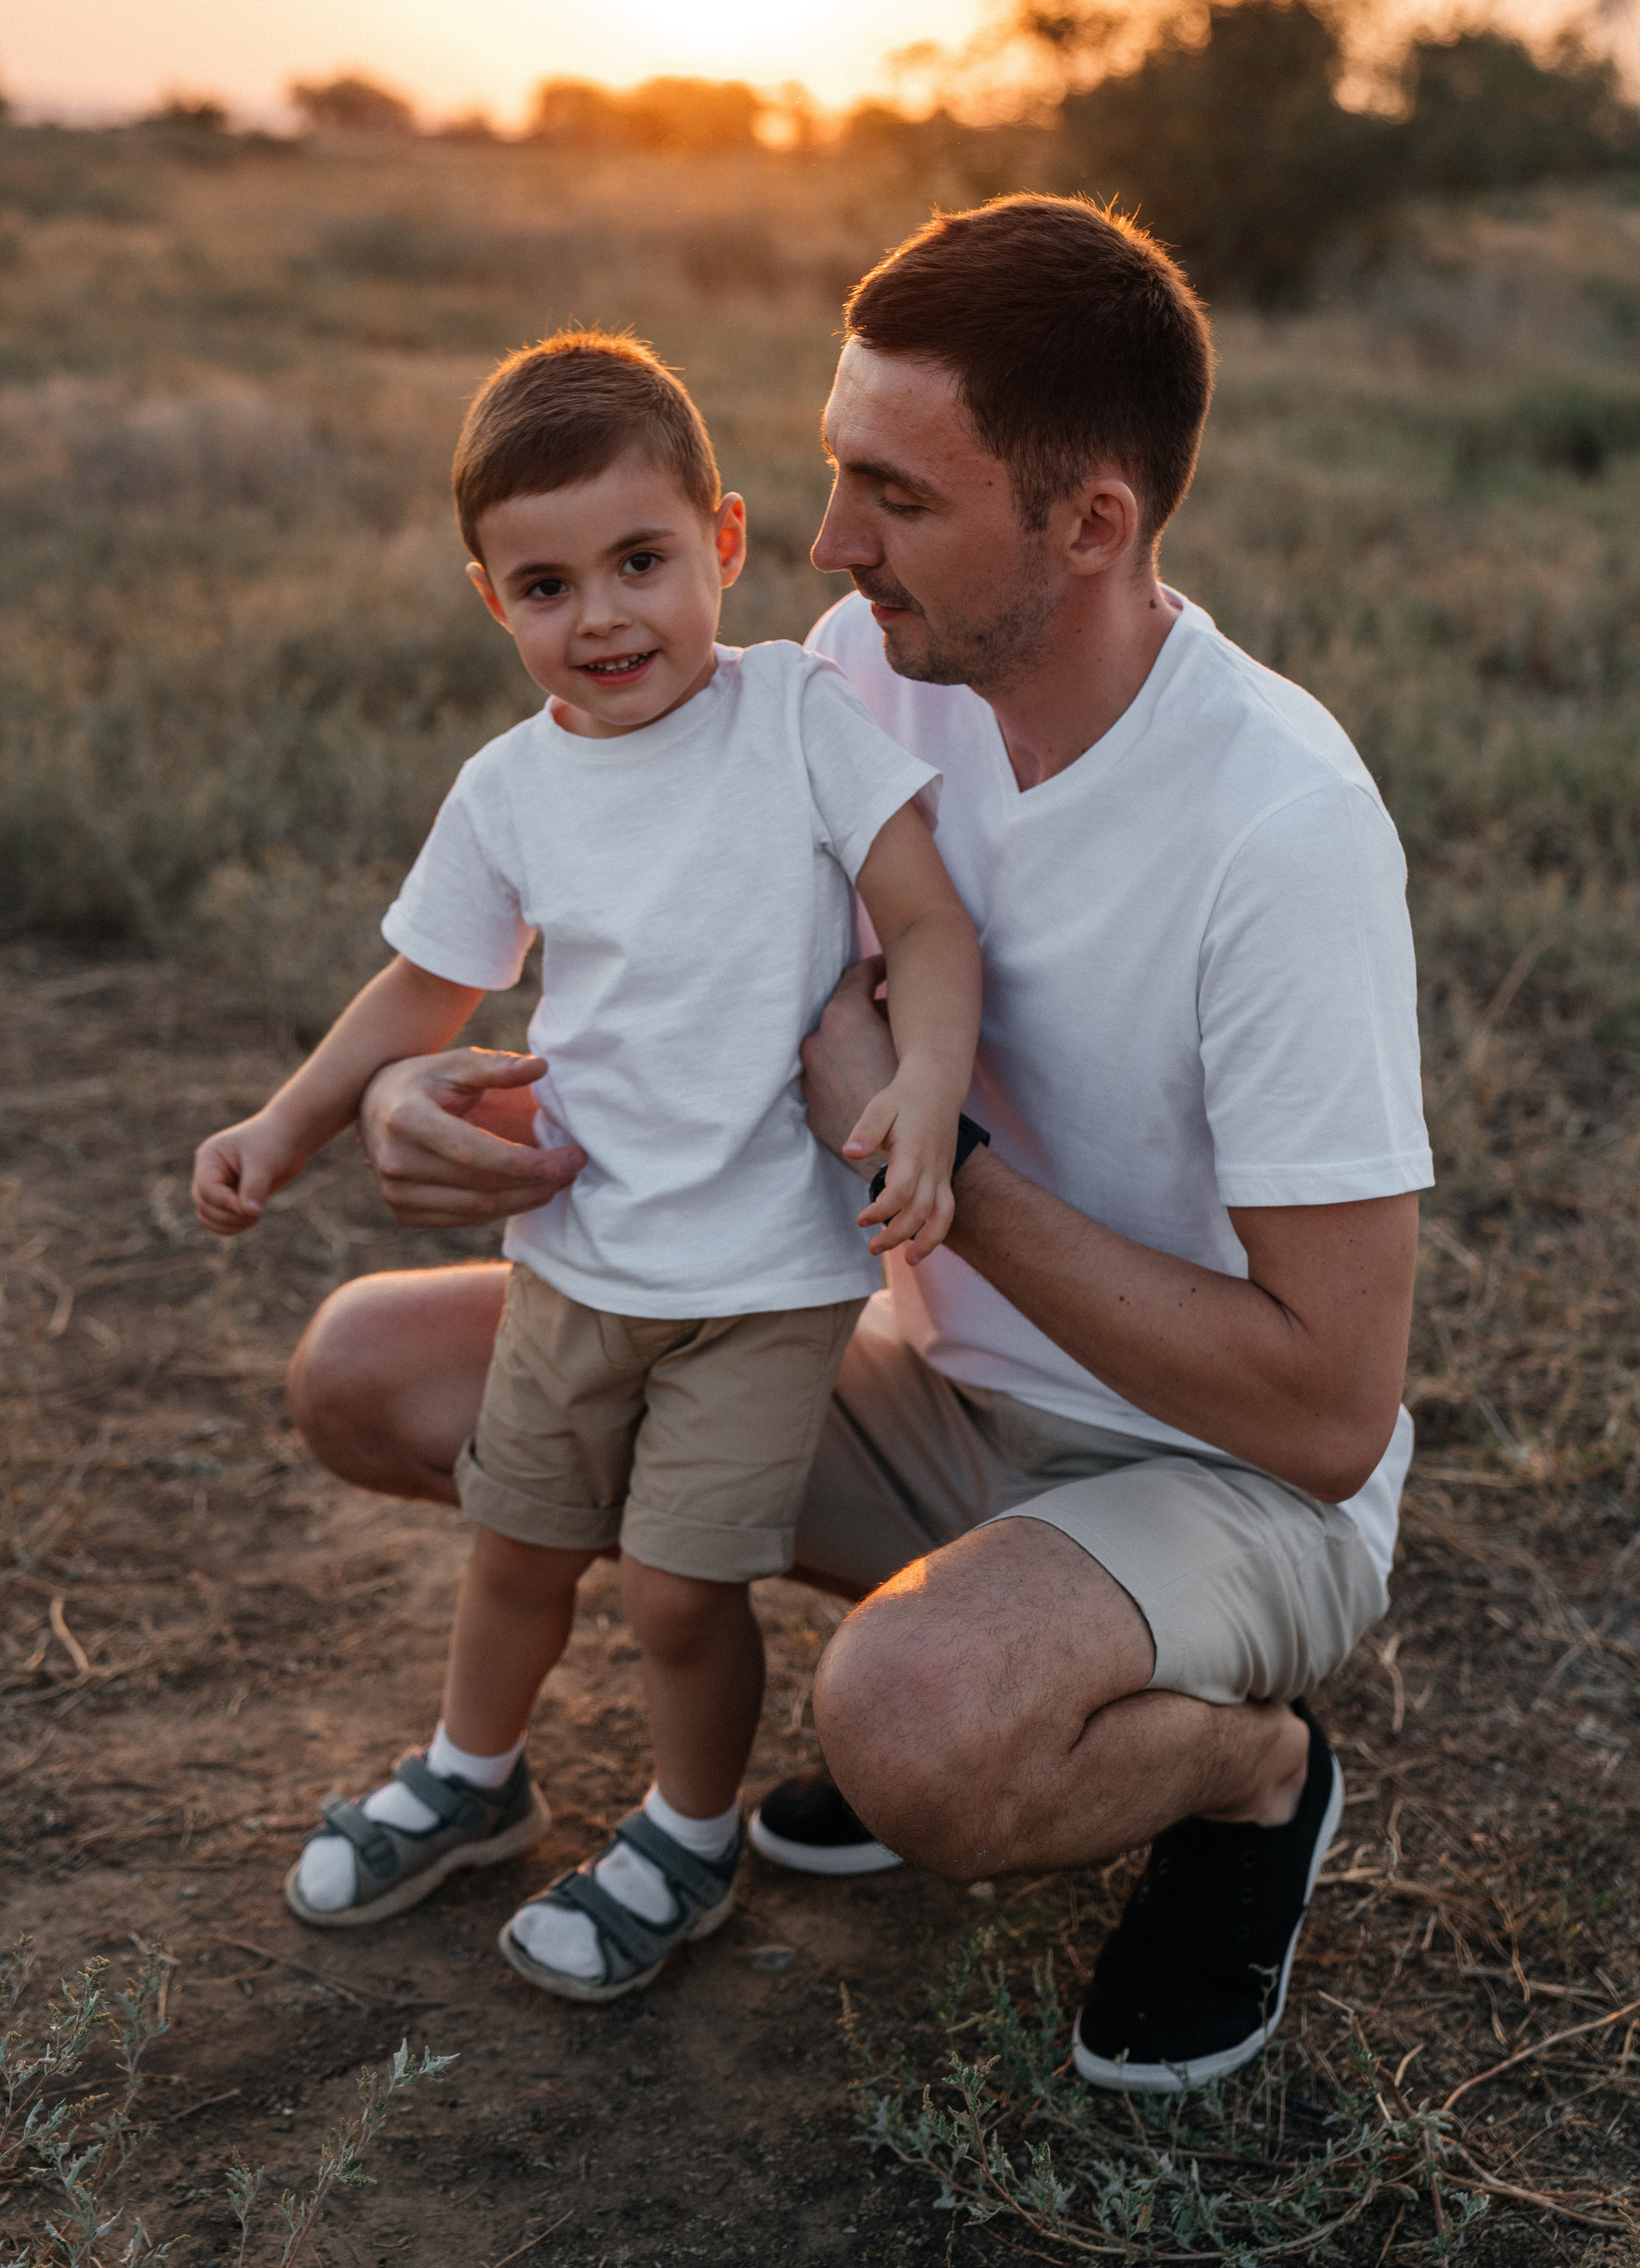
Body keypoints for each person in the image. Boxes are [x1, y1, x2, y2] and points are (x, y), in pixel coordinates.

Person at [281, 197, 1432, 2089]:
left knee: (912, 1727)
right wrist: (442, 1090)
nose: (827, 544)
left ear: (1092, 525)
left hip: (1224, 1474)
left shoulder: (1280, 830)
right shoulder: (859, 669)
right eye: (834, 475)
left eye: (895, 493)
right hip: (923, 1386)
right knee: (376, 1373)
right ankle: (958, 1635)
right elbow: (690, 999)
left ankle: (1252, 1781)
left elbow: (1330, 1411)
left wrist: (947, 1174)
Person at [192, 330, 981, 2002]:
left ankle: (690, 1836)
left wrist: (922, 1085)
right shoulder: (513, 789)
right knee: (517, 1550)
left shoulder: (797, 720)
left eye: (642, 561)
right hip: (573, 1251)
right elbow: (427, 982)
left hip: (763, 1283)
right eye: (547, 586)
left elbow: (924, 913)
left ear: (728, 542)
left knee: (685, 1593)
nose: (604, 616)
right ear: (494, 602)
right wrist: (290, 1119)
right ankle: (476, 1780)